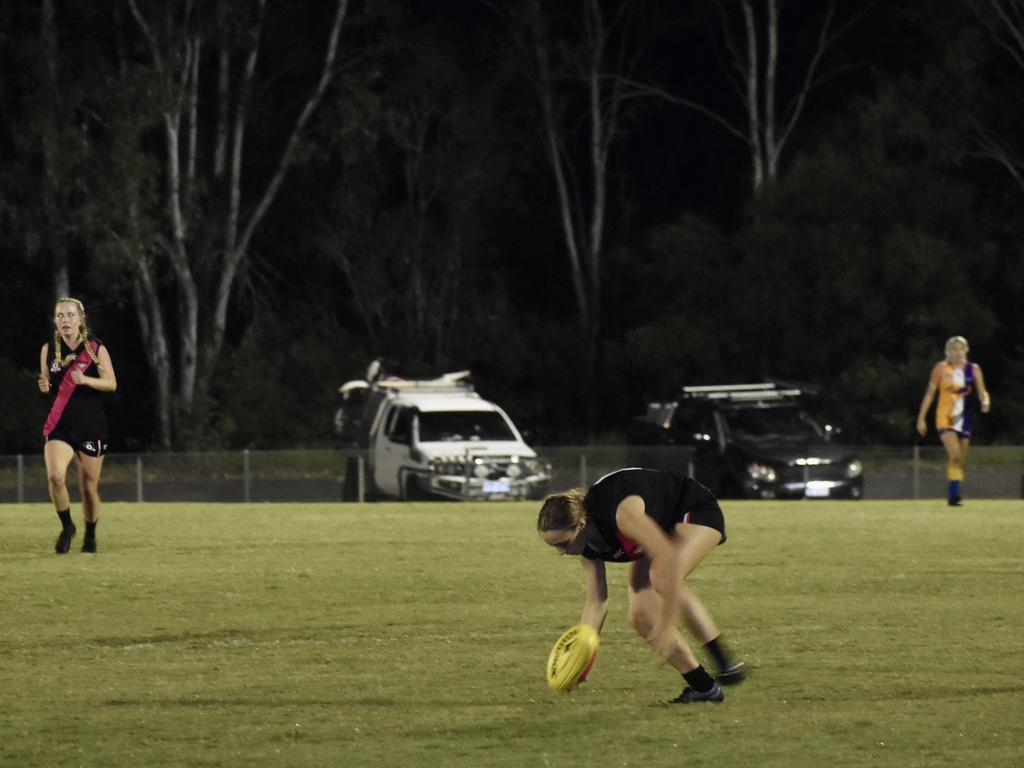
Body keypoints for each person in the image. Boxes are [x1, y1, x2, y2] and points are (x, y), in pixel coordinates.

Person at [537, 467, 744, 704]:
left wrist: (666, 626)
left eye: (563, 544)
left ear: (581, 525)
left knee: (663, 577)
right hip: (658, 524)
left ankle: (726, 663)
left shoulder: (621, 515)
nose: (563, 553)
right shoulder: (587, 548)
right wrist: (582, 656)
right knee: (641, 617)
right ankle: (704, 689)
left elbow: (669, 559)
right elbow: (596, 604)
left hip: (691, 508)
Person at [38, 297, 117, 554]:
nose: (65, 320)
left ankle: (90, 535)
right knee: (56, 476)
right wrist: (44, 386)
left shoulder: (95, 347)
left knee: (88, 487)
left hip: (91, 424)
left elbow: (111, 383)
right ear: (55, 320)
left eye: (70, 315)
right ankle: (67, 526)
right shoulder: (48, 349)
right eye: (60, 316)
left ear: (80, 319)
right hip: (60, 423)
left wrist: (84, 379)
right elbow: (48, 384)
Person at [915, 335, 991, 506]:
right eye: (954, 349)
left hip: (964, 419)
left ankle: (953, 494)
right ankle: (954, 496)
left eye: (961, 349)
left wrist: (986, 401)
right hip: (945, 418)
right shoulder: (941, 368)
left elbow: (982, 392)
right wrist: (921, 419)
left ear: (966, 350)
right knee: (955, 454)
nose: (958, 352)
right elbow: (929, 394)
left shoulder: (974, 369)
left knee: (959, 460)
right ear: (948, 351)